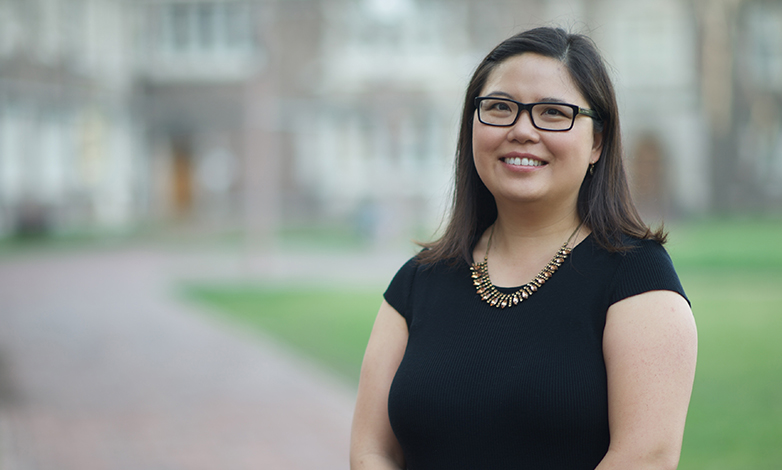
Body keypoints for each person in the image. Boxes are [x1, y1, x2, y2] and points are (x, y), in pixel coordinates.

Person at [350, 27, 697, 470]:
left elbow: (643, 458)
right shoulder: (417, 282)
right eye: (499, 107)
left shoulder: (637, 280)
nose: (522, 130)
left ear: (597, 142)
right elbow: (371, 451)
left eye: (553, 113)